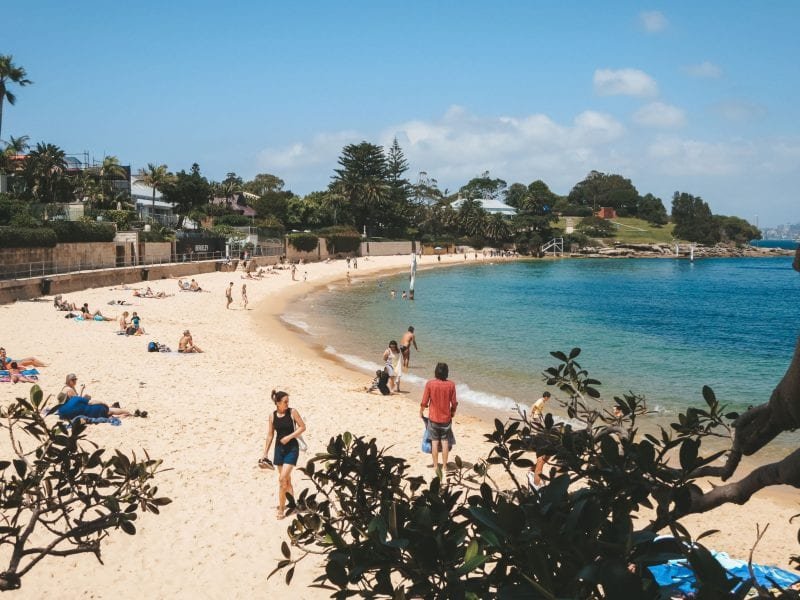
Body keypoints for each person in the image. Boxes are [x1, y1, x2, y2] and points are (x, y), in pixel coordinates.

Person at [261, 390, 306, 519]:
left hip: (292, 449)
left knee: (282, 480)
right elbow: (270, 435)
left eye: (288, 402)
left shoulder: (292, 412)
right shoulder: (272, 416)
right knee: (287, 480)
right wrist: (265, 453)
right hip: (279, 450)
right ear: (278, 403)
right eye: (285, 402)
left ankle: (281, 509)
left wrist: (289, 437)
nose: (287, 404)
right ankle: (293, 504)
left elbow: (303, 427)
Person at [420, 362, 458, 476]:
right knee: (445, 442)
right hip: (446, 419)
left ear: (436, 371)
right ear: (447, 372)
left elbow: (424, 401)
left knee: (435, 442)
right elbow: (454, 403)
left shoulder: (430, 384)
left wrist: (421, 412)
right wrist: (452, 413)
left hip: (433, 418)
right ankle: (445, 466)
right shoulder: (451, 385)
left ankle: (436, 466)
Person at [55, 373, 144, 419]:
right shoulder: (70, 390)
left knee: (108, 409)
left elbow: (76, 401)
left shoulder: (65, 388)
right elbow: (78, 401)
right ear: (69, 381)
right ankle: (128, 412)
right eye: (73, 380)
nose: (75, 382)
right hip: (78, 411)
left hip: (68, 410)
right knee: (108, 409)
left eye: (75, 380)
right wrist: (101, 402)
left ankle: (125, 412)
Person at [527, 391, 552, 490]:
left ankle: (533, 470)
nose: (548, 399)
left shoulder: (542, 401)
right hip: (536, 416)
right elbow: (534, 406)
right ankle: (536, 484)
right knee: (537, 429)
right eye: (548, 397)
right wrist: (532, 414)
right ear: (546, 397)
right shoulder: (541, 401)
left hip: (538, 415)